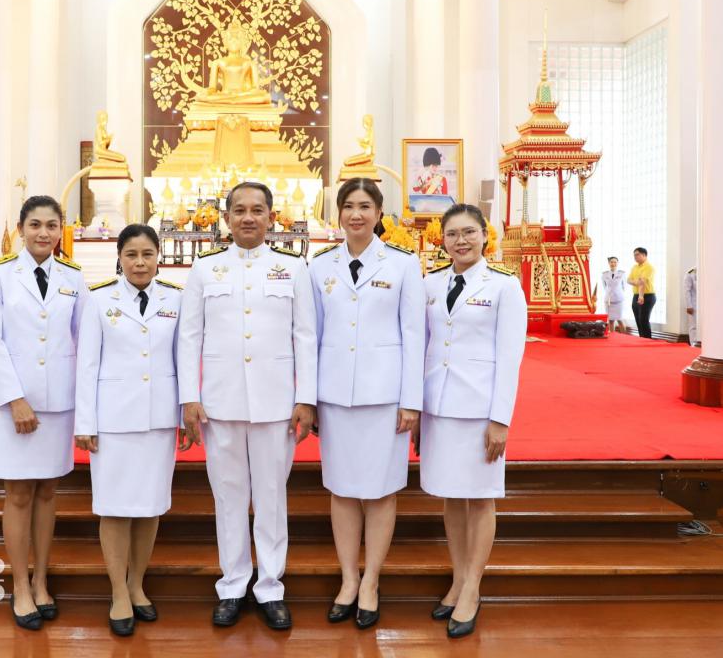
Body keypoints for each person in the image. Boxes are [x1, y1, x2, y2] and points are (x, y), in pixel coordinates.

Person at [177, 181, 317, 631]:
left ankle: (271, 586)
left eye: (258, 210)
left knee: (272, 498)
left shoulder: (293, 268)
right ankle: (233, 585)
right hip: (220, 402)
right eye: (239, 210)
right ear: (226, 218)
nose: (248, 217)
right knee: (229, 497)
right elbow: (189, 337)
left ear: (272, 218)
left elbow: (305, 337)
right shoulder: (205, 268)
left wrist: (306, 397)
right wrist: (189, 396)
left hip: (276, 403)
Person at [309, 178, 425, 629]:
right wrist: (310, 398)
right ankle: (348, 579)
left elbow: (414, 335)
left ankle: (372, 580)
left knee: (380, 491)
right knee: (341, 489)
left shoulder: (403, 264)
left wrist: (411, 401)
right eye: (348, 206)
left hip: (385, 397)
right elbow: (311, 337)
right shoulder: (319, 266)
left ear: (379, 213)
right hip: (335, 395)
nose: (356, 214)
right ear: (338, 213)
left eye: (365, 206)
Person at [0, 195, 88, 631]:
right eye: (35, 224)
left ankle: (42, 580)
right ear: (21, 229)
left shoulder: (73, 278)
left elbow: (85, 340)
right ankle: (20, 585)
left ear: (61, 230)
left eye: (52, 225)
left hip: (58, 402)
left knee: (47, 493)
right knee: (19, 493)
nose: (44, 233)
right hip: (13, 404)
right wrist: (14, 398)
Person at [419, 203, 527, 640]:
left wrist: (500, 419)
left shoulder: (504, 286)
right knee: (451, 496)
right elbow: (423, 345)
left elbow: (510, 358)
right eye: (452, 234)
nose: (460, 241)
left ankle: (472, 589)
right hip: (439, 406)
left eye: (468, 232)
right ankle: (458, 578)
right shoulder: (430, 283)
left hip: (480, 409)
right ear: (441, 240)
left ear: (485, 236)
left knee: (480, 498)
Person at [75, 224, 185, 637]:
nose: (140, 263)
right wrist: (85, 422)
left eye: (147, 254)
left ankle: (137, 584)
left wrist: (183, 415)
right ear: (119, 258)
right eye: (131, 255)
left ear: (159, 257)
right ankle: (118, 591)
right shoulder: (99, 299)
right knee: (115, 507)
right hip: (114, 420)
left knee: (151, 506)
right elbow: (87, 364)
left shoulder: (175, 298)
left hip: (158, 418)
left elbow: (183, 359)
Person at [627, 247, 656, 339]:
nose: (635, 257)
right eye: (634, 255)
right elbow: (628, 280)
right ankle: (641, 339)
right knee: (638, 320)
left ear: (644, 255)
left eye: (637, 255)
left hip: (647, 296)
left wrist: (641, 296)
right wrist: (636, 282)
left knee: (643, 319)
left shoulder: (648, 267)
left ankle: (647, 340)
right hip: (636, 295)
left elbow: (642, 282)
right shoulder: (634, 267)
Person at [599, 256, 626, 335]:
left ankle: (624, 336)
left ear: (617, 263)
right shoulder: (604, 274)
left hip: (618, 299)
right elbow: (605, 287)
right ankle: (613, 336)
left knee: (620, 319)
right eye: (611, 262)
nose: (613, 263)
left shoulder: (622, 274)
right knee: (610, 320)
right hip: (609, 300)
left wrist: (617, 292)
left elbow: (624, 287)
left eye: (615, 262)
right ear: (609, 263)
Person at [684, 267, 699, 347]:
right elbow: (687, 290)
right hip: (694, 304)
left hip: (704, 304)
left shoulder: (706, 272)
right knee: (693, 326)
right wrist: (689, 305)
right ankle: (693, 345)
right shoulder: (691, 273)